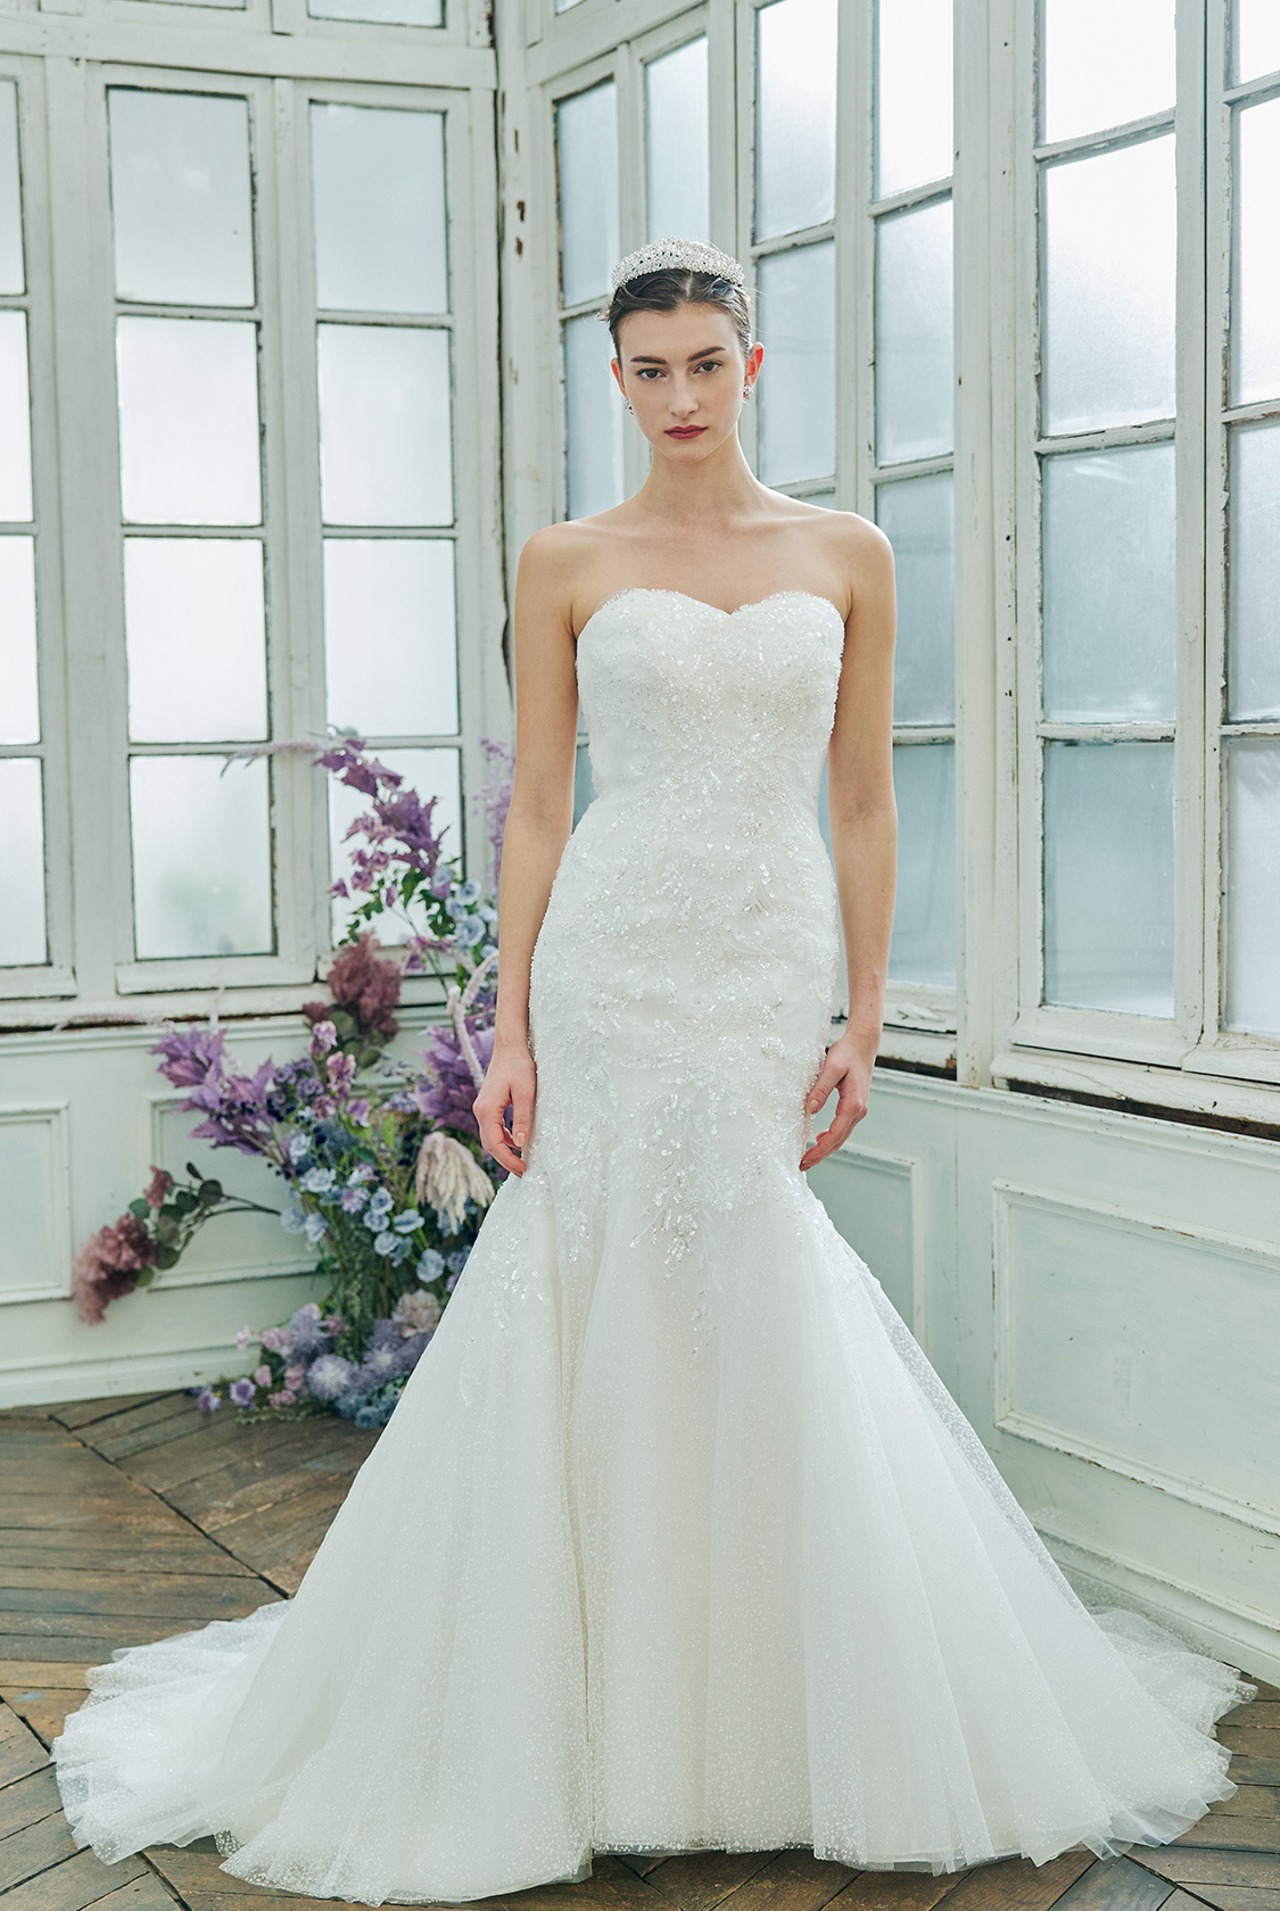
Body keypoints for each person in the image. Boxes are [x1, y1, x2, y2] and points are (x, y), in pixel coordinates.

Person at [51, 236, 1256, 1906]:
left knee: (745, 1267)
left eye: (705, 364)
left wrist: (862, 1013)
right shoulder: (566, 559)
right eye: (648, 369)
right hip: (610, 961)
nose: (680, 396)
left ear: (751, 366)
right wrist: (508, 1024)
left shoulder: (847, 553)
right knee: (589, 1273)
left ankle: (763, 1708)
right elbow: (542, 806)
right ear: (615, 380)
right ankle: (578, 1713)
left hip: (763, 957)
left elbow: (862, 800)